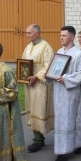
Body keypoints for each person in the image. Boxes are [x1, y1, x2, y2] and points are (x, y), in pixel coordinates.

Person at [48, 26, 81, 161]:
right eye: (60, 35)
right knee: (61, 119)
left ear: (72, 37)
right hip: (59, 92)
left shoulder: (79, 54)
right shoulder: (59, 52)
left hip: (71, 92)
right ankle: (79, 143)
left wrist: (66, 78)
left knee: (69, 119)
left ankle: (64, 151)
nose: (61, 37)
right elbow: (54, 69)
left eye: (64, 35)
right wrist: (49, 75)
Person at [22, 24, 54, 153]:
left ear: (37, 33)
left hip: (40, 84)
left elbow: (49, 65)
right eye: (27, 33)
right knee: (31, 109)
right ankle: (37, 138)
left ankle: (38, 140)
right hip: (30, 84)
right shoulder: (28, 47)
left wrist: (36, 76)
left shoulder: (46, 47)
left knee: (39, 110)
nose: (27, 35)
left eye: (29, 33)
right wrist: (22, 76)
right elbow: (23, 63)